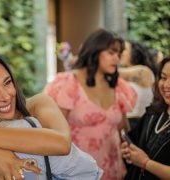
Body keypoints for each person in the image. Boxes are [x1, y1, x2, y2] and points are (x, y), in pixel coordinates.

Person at [44, 29, 137, 180]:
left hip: (114, 170)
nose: (116, 59)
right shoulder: (68, 83)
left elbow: (124, 130)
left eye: (119, 54)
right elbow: (54, 133)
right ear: (95, 50)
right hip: (77, 172)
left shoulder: (118, 87)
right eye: (111, 52)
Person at [121, 57, 170, 180]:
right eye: (163, 78)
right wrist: (128, 151)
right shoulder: (153, 113)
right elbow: (134, 141)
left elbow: (142, 160)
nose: (166, 85)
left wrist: (145, 163)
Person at [119, 40, 158, 129]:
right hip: (126, 123)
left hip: (138, 124)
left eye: (124, 49)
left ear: (135, 52)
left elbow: (116, 73)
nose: (120, 52)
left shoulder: (144, 71)